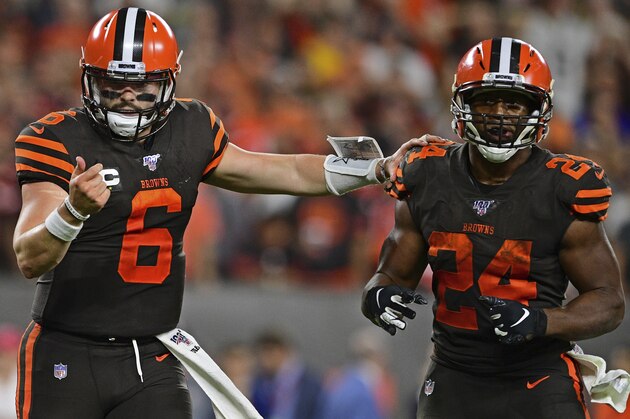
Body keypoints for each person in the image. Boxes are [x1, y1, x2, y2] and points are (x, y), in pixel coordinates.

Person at [11, 7, 436, 419]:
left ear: (169, 83)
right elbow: (30, 258)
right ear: (89, 79)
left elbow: (279, 169)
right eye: (113, 86)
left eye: (142, 88)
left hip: (151, 352)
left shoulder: (191, 127)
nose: (127, 101)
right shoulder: (55, 140)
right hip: (64, 348)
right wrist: (72, 212)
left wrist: (372, 168)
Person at [361, 37, 626, 419]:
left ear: (539, 109)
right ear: (462, 104)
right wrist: (377, 295)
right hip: (454, 374)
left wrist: (540, 321)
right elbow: (390, 275)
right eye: (486, 100)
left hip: (538, 376)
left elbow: (609, 301)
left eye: (514, 103)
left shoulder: (562, 187)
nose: (500, 114)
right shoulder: (427, 175)